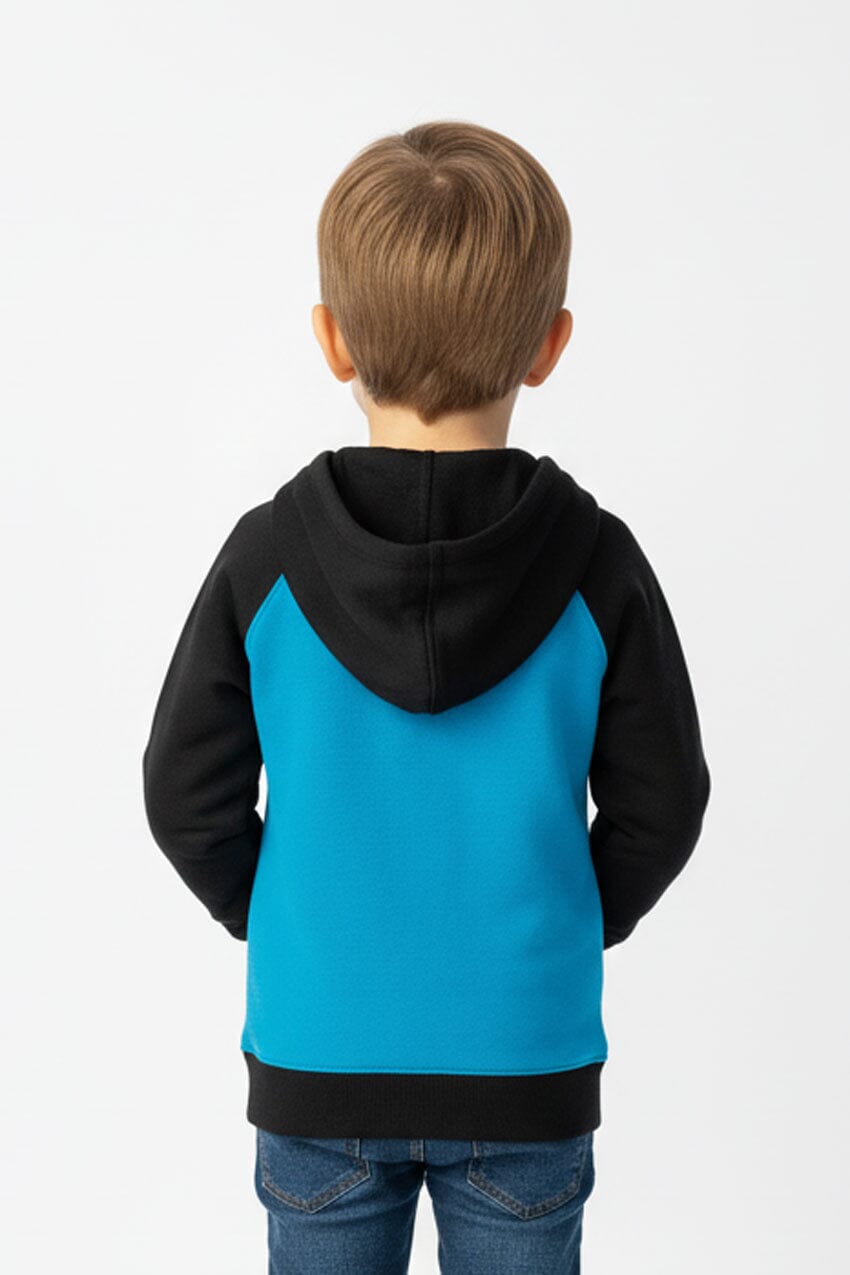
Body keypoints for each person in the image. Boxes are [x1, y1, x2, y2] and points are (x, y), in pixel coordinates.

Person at [142, 119, 711, 1274]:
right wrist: (562, 920)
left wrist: (284, 917)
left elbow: (183, 796)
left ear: (331, 339)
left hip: (318, 1050)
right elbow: (663, 805)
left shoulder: (267, 562)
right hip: (525, 1056)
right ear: (548, 345)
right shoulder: (596, 565)